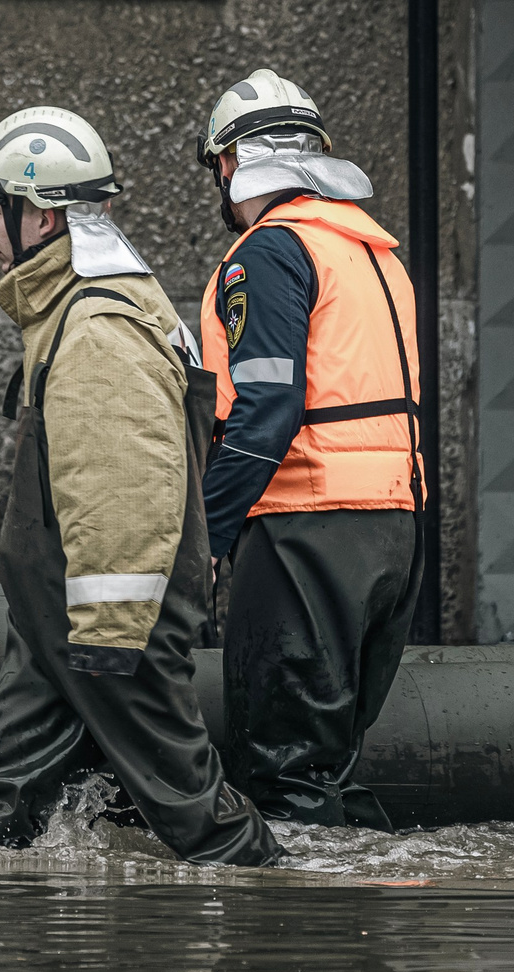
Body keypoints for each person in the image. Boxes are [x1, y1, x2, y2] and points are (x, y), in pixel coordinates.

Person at [0, 106, 282, 866]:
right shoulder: (74, 306)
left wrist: (108, 635)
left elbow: (127, 489)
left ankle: (287, 911)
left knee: (195, 815)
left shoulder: (97, 325)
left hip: (107, 629)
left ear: (39, 215)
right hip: (63, 621)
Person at [193, 69, 426, 830]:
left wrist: (208, 535)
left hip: (307, 524)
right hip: (394, 528)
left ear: (229, 164)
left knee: (284, 773)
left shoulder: (268, 253)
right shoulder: (373, 254)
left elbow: (267, 407)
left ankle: (296, 944)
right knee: (328, 763)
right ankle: (353, 936)